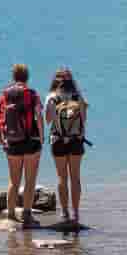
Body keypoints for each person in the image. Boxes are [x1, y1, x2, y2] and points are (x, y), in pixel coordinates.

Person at [0, 63, 43, 225]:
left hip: (12, 142)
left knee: (13, 180)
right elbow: (39, 116)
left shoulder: (5, 95)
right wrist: (42, 137)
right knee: (30, 180)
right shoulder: (32, 94)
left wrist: (0, 139)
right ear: (27, 77)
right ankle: (27, 214)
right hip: (31, 141)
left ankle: (10, 214)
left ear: (14, 77)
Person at [45, 67, 88, 230]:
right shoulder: (79, 97)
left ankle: (64, 212)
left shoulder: (51, 97)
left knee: (62, 178)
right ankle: (76, 212)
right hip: (76, 141)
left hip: (58, 140)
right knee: (75, 177)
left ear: (56, 81)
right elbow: (84, 120)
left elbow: (48, 120)